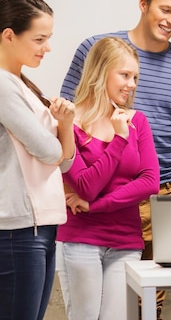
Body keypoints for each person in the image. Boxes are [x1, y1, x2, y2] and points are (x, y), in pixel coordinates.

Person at [60, 0, 171, 317]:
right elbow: (66, 119)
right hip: (90, 191)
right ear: (143, 4)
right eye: (165, 10)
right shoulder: (98, 49)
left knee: (147, 307)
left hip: (157, 194)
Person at [57, 37, 159, 319]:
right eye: (125, 75)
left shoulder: (137, 121)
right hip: (80, 239)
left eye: (135, 76)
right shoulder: (69, 123)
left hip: (126, 242)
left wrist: (96, 206)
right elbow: (86, 187)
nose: (132, 84)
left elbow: (150, 182)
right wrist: (118, 140)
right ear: (101, 72)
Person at [0, 0, 75, 320]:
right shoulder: (2, 85)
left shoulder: (24, 85)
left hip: (41, 225)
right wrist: (59, 133)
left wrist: (66, 125)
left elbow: (66, 160)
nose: (47, 48)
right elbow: (48, 151)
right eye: (40, 39)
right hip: (17, 229)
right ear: (8, 35)